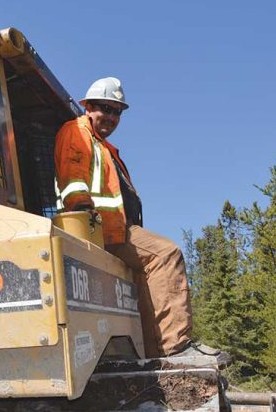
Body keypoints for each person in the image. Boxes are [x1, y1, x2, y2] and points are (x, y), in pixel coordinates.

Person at [54, 77, 230, 365]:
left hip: (114, 229)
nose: (110, 117)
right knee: (165, 254)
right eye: (104, 108)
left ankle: (154, 355)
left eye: (116, 112)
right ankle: (175, 348)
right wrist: (85, 216)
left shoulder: (105, 147)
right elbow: (73, 179)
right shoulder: (76, 132)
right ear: (88, 107)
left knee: (145, 283)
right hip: (100, 231)